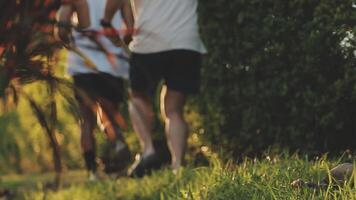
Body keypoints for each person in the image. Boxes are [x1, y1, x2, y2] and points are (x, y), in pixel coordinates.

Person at [102, 0, 206, 177]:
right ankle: (178, 165)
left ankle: (149, 150)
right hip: (185, 42)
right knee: (174, 110)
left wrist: (106, 21)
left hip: (149, 43)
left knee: (137, 97)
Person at [56, 0, 134, 180]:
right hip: (111, 62)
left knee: (87, 120)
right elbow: (129, 29)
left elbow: (60, 29)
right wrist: (119, 44)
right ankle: (118, 145)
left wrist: (71, 43)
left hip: (82, 63)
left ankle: (92, 172)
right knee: (111, 112)